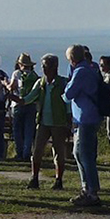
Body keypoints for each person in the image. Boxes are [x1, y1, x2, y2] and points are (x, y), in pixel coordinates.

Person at [63, 45, 103, 207]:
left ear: (72, 59)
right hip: (90, 117)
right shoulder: (91, 69)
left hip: (85, 118)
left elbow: (68, 95)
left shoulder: (80, 72)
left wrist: (67, 86)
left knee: (83, 154)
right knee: (82, 153)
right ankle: (88, 188)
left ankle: (90, 191)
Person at [24, 54, 72, 189]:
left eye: (45, 66)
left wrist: (68, 123)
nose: (43, 69)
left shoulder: (62, 83)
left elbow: (67, 104)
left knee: (58, 153)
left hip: (59, 122)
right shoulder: (41, 83)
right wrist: (18, 100)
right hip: (43, 122)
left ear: (54, 67)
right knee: (37, 151)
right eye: (43, 66)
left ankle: (58, 180)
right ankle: (34, 178)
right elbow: (29, 98)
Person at [8, 53, 39, 163]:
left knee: (17, 131)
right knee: (28, 130)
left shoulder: (17, 74)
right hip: (31, 105)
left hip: (17, 105)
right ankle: (27, 153)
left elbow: (12, 86)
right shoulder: (34, 76)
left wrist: (5, 84)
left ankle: (19, 153)